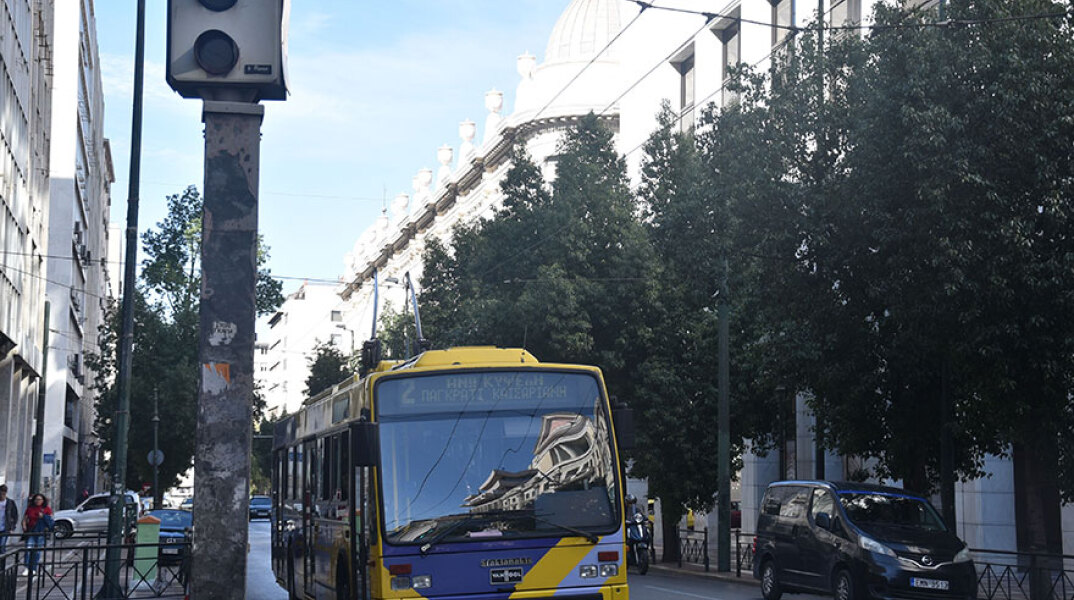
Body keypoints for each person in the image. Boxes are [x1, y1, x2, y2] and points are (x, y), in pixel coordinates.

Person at [21, 493, 53, 577]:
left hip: (41, 532)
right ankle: (27, 568)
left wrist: (43, 516)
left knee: (37, 551)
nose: (37, 501)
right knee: (28, 548)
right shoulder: (30, 508)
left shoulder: (46, 509)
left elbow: (50, 520)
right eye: (36, 499)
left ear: (43, 501)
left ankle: (34, 569)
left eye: (39, 499)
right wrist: (24, 526)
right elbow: (25, 518)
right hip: (31, 531)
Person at [0, 484, 18, 555]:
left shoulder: (10, 503)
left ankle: (2, 565)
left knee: (2, 546)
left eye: (3, 493)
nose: (2, 495)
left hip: (5, 528)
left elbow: (15, 515)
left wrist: (12, 527)